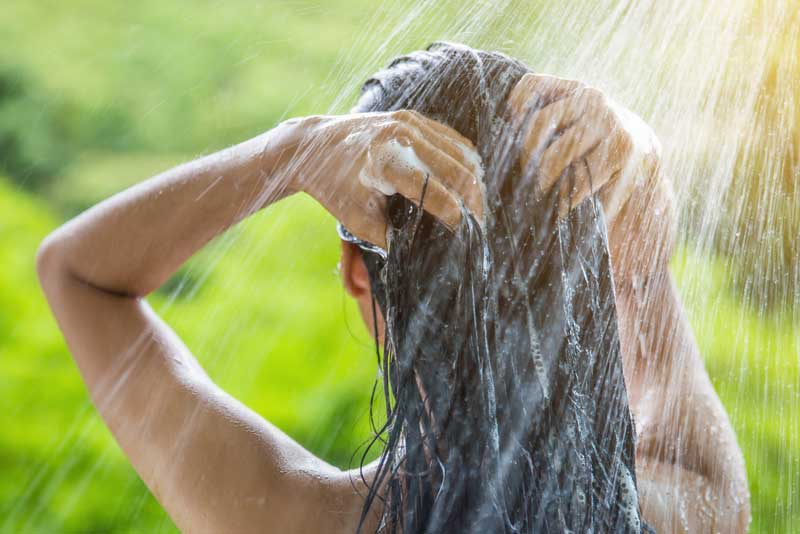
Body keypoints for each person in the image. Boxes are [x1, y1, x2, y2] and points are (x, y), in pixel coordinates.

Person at [37, 43, 749, 533]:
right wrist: (637, 154)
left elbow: (76, 272)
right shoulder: (689, 505)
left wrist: (295, 150)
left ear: (356, 273)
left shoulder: (292, 516)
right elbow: (643, 269)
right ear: (574, 269)